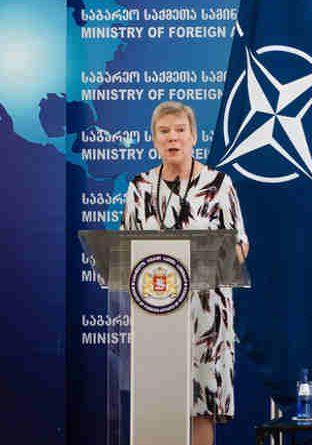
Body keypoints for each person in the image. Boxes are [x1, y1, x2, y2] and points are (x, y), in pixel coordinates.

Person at [121, 101, 249, 445]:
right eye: (164, 132)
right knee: (158, 402)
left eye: (180, 130)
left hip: (207, 316)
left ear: (193, 136)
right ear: (154, 139)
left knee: (201, 406)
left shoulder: (219, 184)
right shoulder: (140, 187)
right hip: (157, 312)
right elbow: (125, 251)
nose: (172, 138)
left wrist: (206, 254)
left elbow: (240, 248)